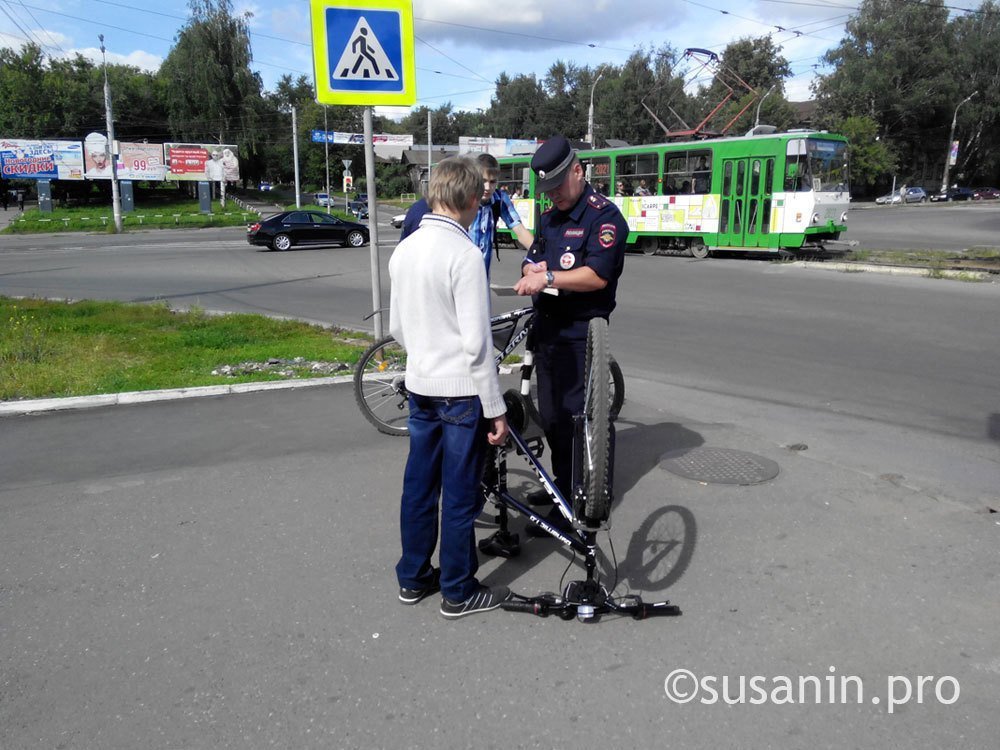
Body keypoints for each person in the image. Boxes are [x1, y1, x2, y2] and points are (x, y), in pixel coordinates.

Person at [388, 156, 512, 618]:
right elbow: (478, 346)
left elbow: (398, 326)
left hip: (420, 385)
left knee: (419, 487)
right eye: (481, 197)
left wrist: (424, 351)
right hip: (460, 393)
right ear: (469, 200)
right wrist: (495, 408)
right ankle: (458, 591)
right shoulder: (464, 256)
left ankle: (414, 577)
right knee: (459, 495)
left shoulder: (405, 250)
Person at [512, 135, 627, 532]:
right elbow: (533, 256)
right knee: (553, 416)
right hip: (547, 328)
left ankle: (581, 507)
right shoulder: (551, 216)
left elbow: (596, 276)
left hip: (580, 331)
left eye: (558, 187)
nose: (553, 196)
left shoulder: (604, 217)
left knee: (579, 419)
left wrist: (548, 275)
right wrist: (531, 270)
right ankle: (564, 484)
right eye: (547, 189)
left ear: (578, 171)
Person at [400, 153, 534, 278]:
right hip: (457, 270)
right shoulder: (460, 200)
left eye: (493, 182)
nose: (487, 187)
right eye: (483, 181)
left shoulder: (499, 200)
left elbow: (520, 231)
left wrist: (540, 256)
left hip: (481, 274)